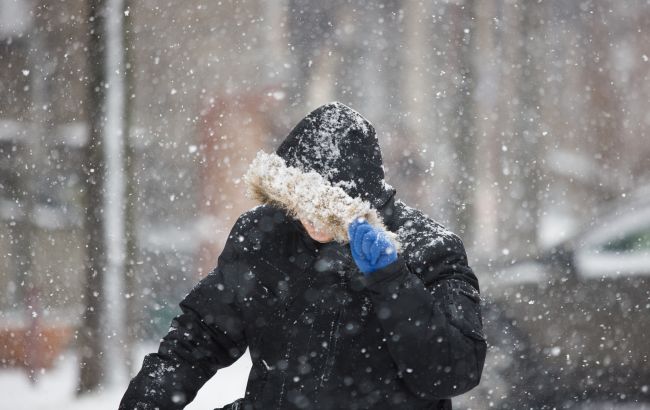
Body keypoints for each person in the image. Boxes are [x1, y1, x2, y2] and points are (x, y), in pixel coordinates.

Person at [119, 102, 487, 410]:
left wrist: (392, 280)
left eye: (328, 209)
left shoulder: (430, 249)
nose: (312, 220)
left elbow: (453, 372)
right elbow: (198, 337)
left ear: (361, 201)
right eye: (301, 202)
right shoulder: (264, 236)